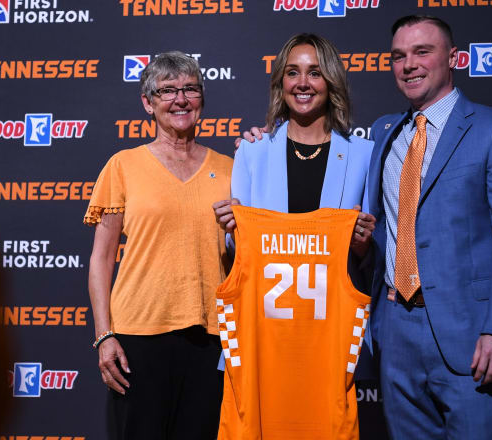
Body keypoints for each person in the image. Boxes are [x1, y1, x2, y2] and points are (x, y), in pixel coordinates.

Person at [365, 15, 492, 439]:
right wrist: (264, 143)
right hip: (396, 329)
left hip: (470, 333)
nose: (409, 65)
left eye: (422, 52)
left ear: (453, 58)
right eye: (398, 56)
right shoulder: (383, 132)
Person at [84, 51, 232, 440]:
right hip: (138, 338)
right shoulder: (123, 165)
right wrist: (104, 335)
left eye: (190, 89)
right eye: (167, 91)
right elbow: (101, 258)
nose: (180, 100)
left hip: (211, 337)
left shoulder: (234, 168)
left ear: (202, 99)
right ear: (147, 104)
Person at [213, 32, 375, 269]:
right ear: (281, 82)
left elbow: (371, 259)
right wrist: (232, 229)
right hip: (267, 302)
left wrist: (363, 245)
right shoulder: (253, 152)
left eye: (315, 73)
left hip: (338, 302)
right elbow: (239, 254)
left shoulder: (364, 154)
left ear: (331, 81)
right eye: (292, 72)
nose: (302, 83)